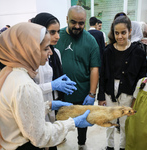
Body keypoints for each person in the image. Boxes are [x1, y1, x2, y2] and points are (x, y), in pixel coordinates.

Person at [0, 22, 93, 150]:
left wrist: (48, 106)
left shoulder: (10, 74)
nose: (50, 52)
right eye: (46, 48)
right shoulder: (26, 86)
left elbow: (21, 112)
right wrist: (72, 123)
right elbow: (41, 137)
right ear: (30, 50)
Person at [97, 15, 147, 150]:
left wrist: (137, 97)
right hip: (109, 89)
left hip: (128, 90)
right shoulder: (107, 51)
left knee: (125, 122)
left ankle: (123, 146)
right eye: (117, 33)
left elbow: (142, 77)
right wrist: (101, 96)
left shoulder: (138, 52)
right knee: (110, 119)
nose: (120, 36)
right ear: (113, 33)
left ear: (129, 31)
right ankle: (110, 145)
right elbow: (102, 75)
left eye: (123, 33)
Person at [54, 5, 100, 150]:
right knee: (60, 119)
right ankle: (60, 138)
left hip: (82, 91)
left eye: (81, 23)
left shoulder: (91, 41)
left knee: (82, 121)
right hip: (60, 91)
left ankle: (81, 143)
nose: (77, 26)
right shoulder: (57, 37)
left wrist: (92, 93)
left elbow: (94, 68)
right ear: (67, 19)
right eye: (74, 22)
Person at [32, 12, 77, 150]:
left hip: (52, 103)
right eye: (52, 32)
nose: (57, 36)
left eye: (58, 31)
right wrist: (52, 85)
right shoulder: (32, 56)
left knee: (52, 140)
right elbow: (28, 90)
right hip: (37, 106)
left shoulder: (55, 52)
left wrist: (61, 83)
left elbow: (57, 74)